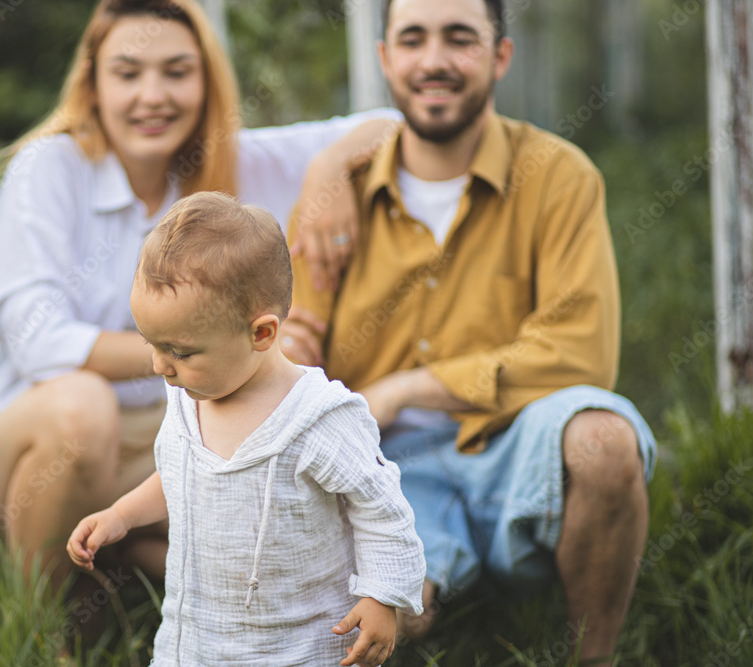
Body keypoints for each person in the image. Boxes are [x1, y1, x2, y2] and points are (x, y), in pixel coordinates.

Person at [0, 0, 401, 602]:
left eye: (177, 72)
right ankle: (38, 630)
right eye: (128, 73)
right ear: (94, 84)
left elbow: (391, 123)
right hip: (30, 438)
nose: (153, 94)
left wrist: (330, 168)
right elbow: (41, 342)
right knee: (84, 408)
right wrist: (212, 348)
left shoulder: (226, 163)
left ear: (206, 82)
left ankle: (143, 575)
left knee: (268, 424)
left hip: (160, 437)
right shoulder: (51, 169)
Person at [280, 0, 658, 664]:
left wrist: (405, 388)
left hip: (513, 439)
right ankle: (428, 583)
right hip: (385, 465)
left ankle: (593, 656)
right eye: (414, 39)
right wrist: (288, 359)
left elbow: (581, 349)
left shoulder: (560, 176)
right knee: (384, 625)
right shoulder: (333, 197)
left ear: (499, 56)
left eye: (460, 38)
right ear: (385, 59)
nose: (434, 61)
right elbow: (289, 351)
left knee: (604, 437)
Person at [66, 192, 425, 667]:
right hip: (197, 637)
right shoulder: (189, 399)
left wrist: (382, 597)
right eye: (151, 344)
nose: (159, 366)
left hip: (300, 641)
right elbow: (181, 475)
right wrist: (122, 515)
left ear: (262, 334)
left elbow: (381, 511)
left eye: (181, 351)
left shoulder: (318, 419)